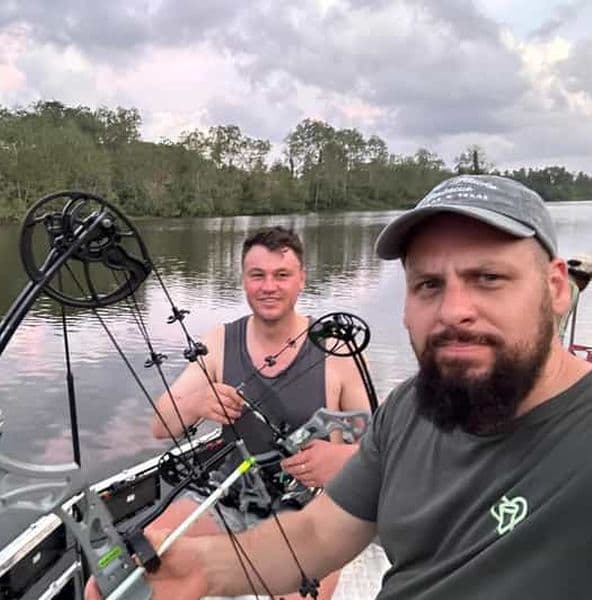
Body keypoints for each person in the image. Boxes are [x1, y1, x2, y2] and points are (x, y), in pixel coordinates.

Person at [87, 175, 592, 599]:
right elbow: (317, 534)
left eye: (488, 277)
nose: (454, 310)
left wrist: (341, 461)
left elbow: (341, 474)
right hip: (241, 505)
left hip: (295, 503)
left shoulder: (339, 355)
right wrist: (203, 568)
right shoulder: (411, 409)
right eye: (429, 284)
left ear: (554, 288)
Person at [147, 226, 374, 599]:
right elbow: (160, 426)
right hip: (223, 499)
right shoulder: (220, 341)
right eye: (258, 275)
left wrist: (343, 456)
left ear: (301, 279)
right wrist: (199, 401)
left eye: (281, 275)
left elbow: (382, 443)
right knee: (131, 575)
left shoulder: (337, 350)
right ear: (244, 280)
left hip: (308, 515)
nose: (269, 286)